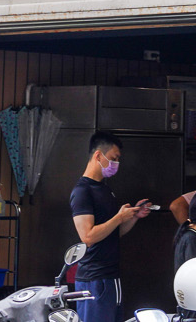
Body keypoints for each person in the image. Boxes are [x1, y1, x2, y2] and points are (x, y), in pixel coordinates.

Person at [70, 130, 155, 322]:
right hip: (93, 278)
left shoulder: (106, 189)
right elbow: (88, 237)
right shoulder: (82, 191)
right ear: (98, 155)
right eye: (114, 158)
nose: (116, 164)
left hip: (111, 276)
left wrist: (132, 217)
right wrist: (119, 217)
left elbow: (113, 233)